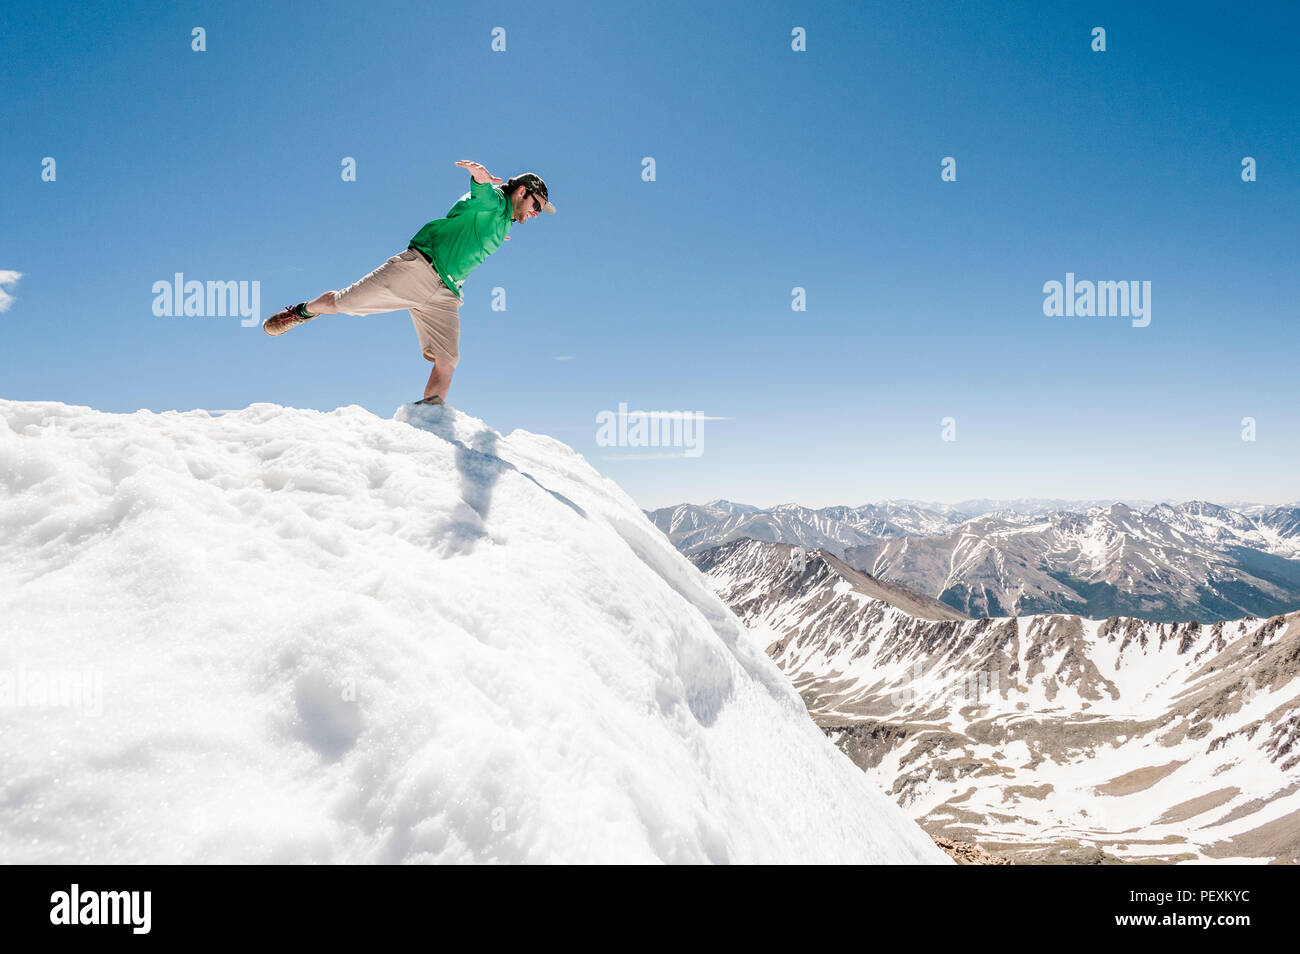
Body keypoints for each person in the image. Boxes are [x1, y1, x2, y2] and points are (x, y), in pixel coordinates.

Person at [262, 160, 555, 405]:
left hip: (446, 294)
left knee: (448, 360)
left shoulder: (503, 220)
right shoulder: (495, 201)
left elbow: (476, 231)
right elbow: (483, 195)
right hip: (416, 271)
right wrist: (479, 180)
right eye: (537, 205)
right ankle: (302, 312)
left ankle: (428, 422)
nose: (536, 213)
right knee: (341, 303)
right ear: (521, 191)